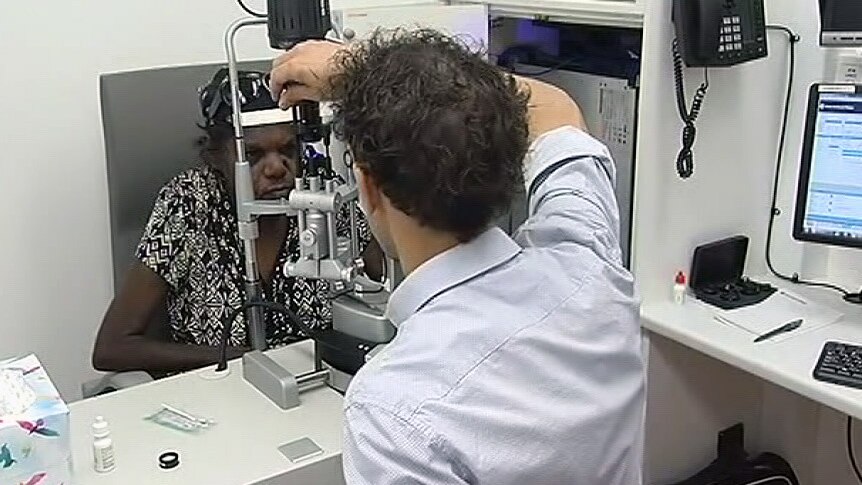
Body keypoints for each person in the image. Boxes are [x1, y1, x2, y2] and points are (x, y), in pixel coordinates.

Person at [270, 30, 645, 484]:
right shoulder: (588, 264)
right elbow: (556, 108)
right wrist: (356, 66)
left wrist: (368, 75)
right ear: (510, 163)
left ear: (366, 185)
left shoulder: (393, 410)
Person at [92, 68, 380, 375]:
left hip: (314, 380)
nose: (276, 169)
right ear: (217, 156)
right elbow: (112, 348)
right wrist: (243, 359)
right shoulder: (190, 202)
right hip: (220, 387)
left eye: (287, 150)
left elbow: (380, 278)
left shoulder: (318, 195)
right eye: (254, 155)